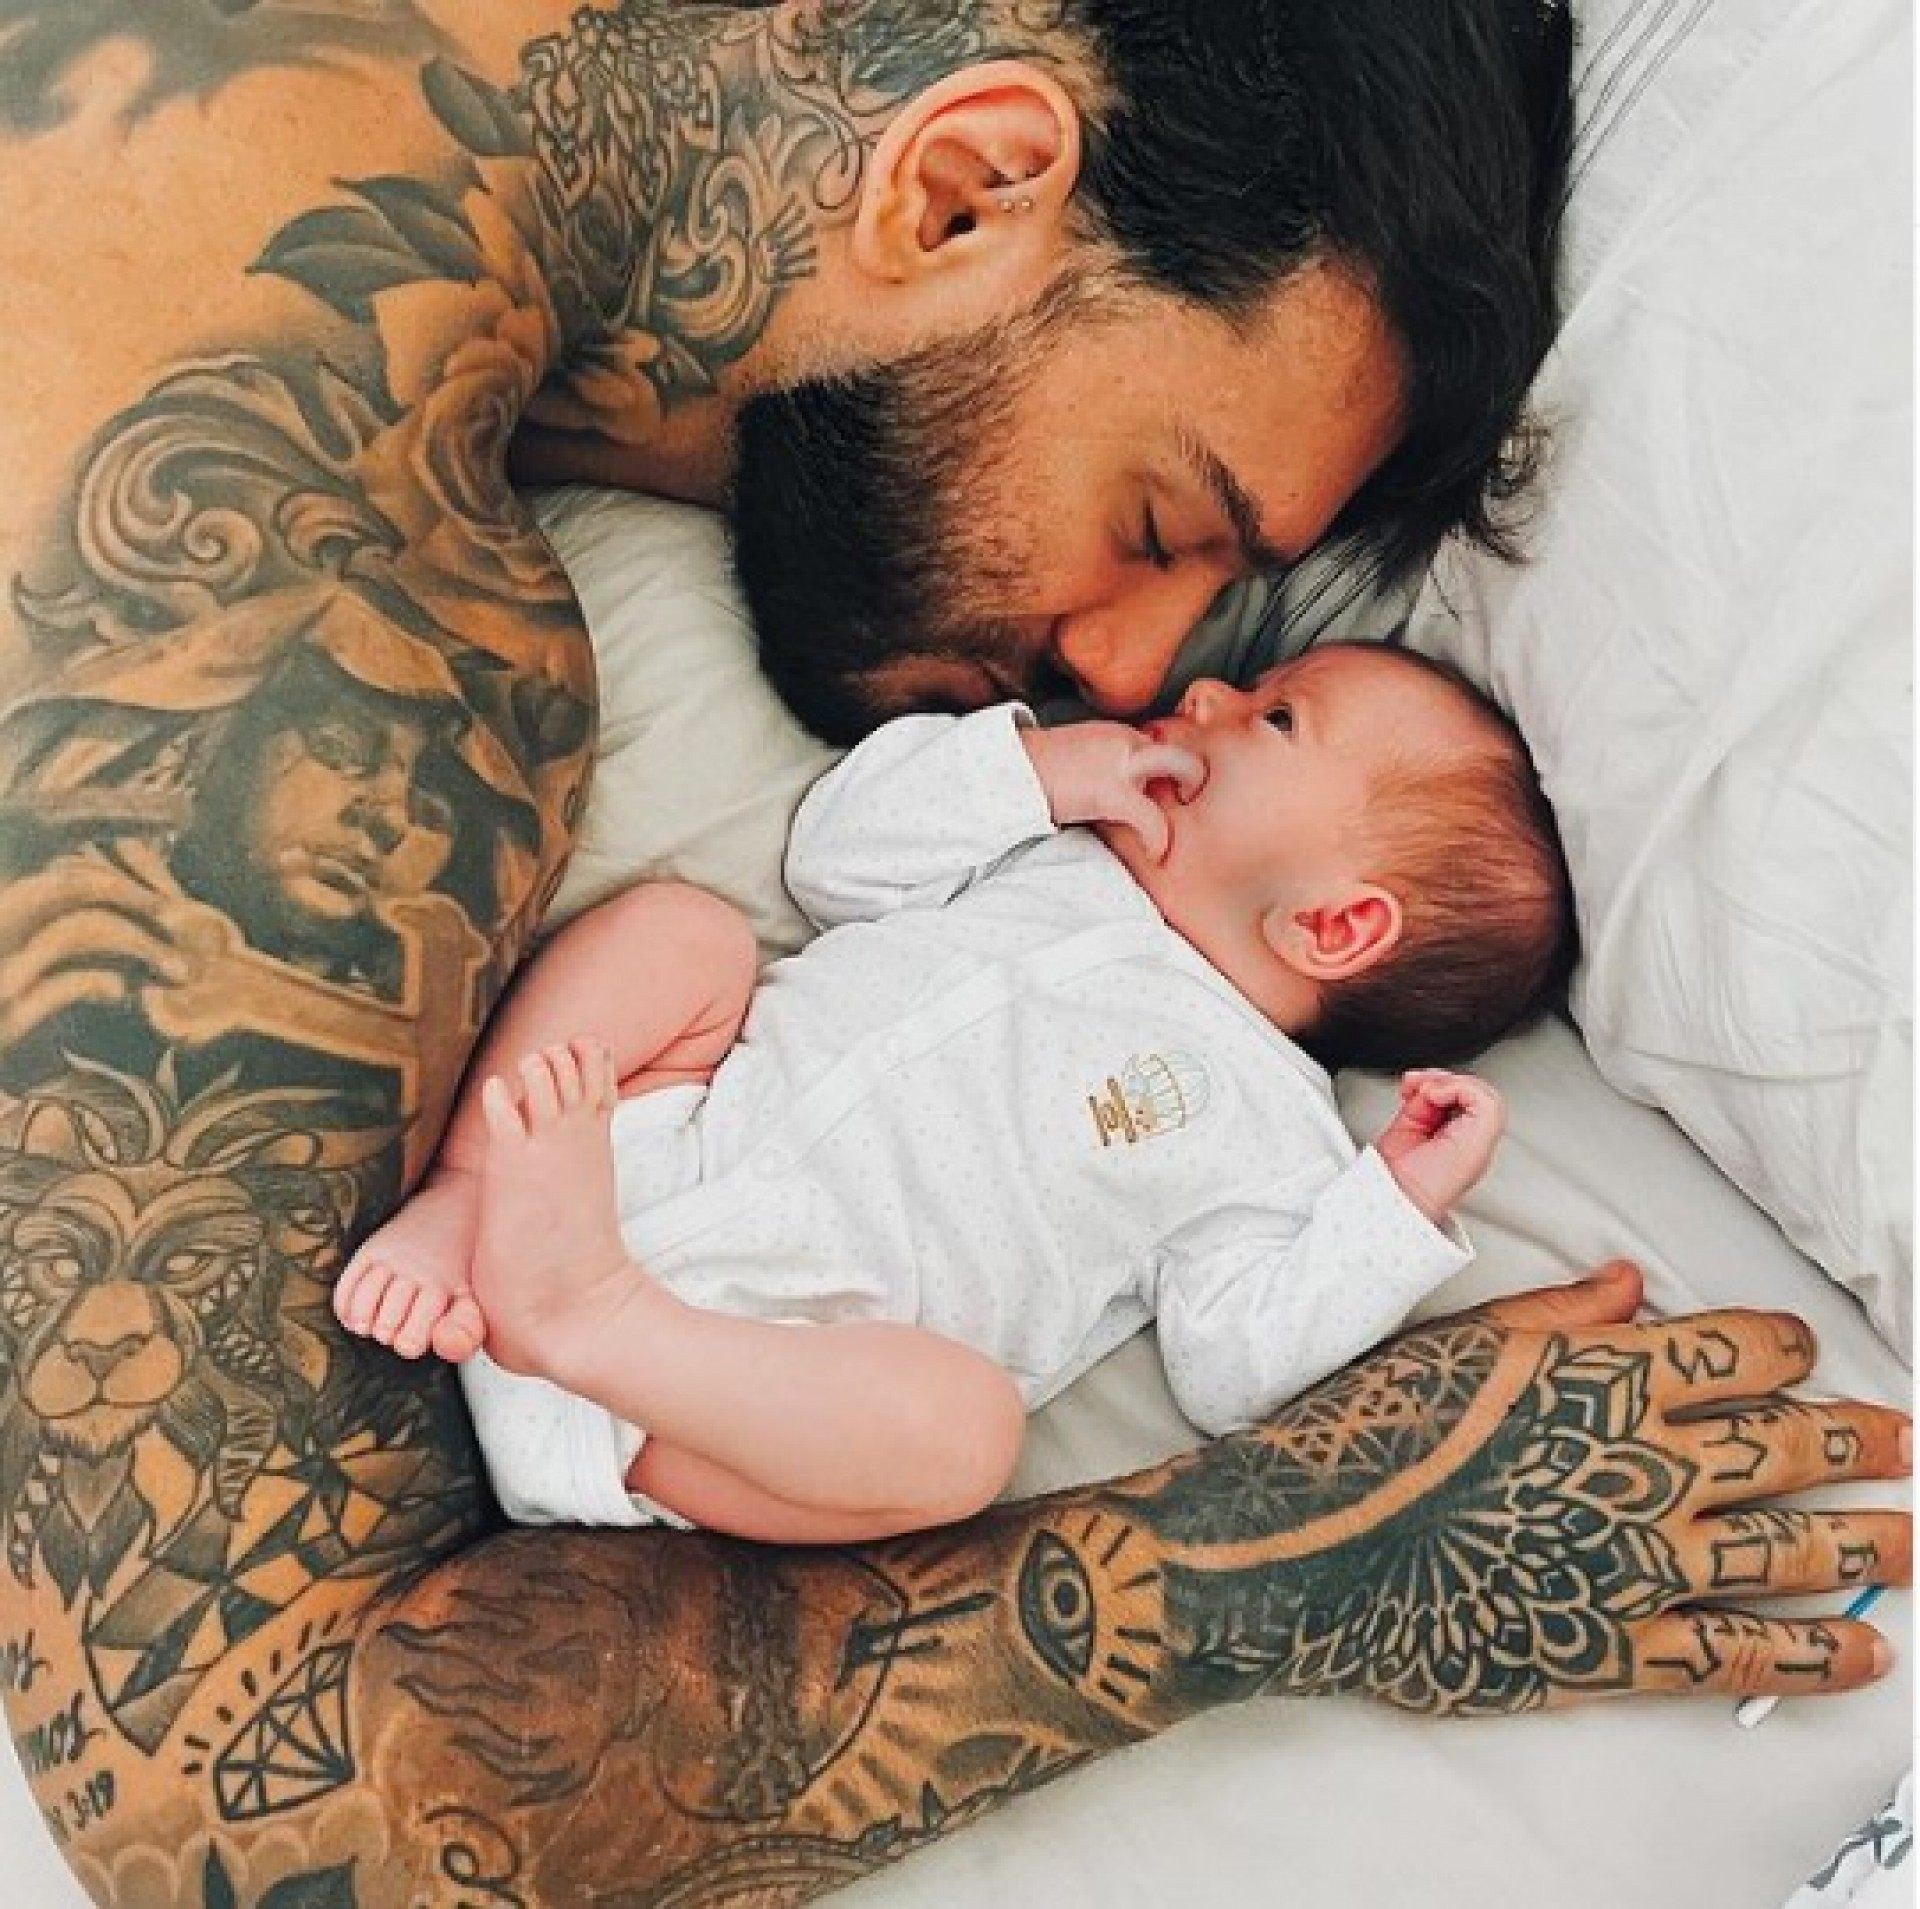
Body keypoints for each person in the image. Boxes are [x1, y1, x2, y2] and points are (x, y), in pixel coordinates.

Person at [0, 3, 1906, 1904]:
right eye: (1161, 518)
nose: (1136, 671)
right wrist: (1307, 1550)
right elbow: (267, 1813)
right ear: (965, 187)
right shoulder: (272, 630)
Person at [334, 642, 1566, 1543]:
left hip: (725, 1381)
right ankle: (464, 1190)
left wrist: (1390, 1210)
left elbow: (1231, 1369)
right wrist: (1034, 773)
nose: (1206, 694)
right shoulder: (1049, 845)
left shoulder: (1277, 1139)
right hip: (632, 1146)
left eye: (1276, 716)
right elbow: (832, 860)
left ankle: (591, 1315)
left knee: (967, 1435)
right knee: (683, 935)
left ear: (1337, 926)